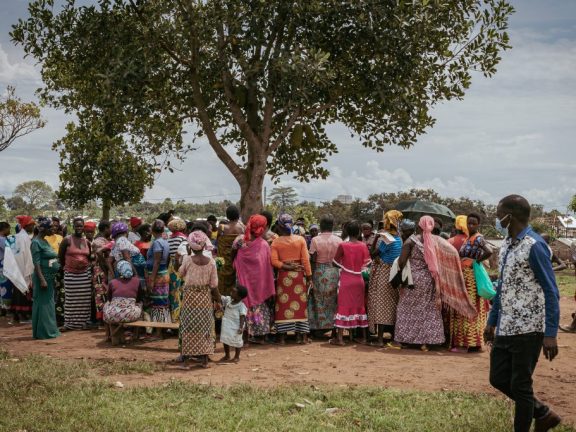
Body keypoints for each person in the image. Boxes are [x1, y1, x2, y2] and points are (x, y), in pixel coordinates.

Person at [484, 195, 561, 432]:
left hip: (530, 328)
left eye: (499, 214)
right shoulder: (508, 243)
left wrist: (550, 333)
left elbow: (551, 291)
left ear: (511, 215)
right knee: (497, 378)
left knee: (521, 386)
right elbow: (504, 286)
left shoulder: (535, 246)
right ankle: (543, 413)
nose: (497, 218)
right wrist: (492, 321)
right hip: (507, 325)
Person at [394, 216, 475, 351]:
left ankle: (408, 339)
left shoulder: (411, 241)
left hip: (412, 280)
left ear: (419, 227)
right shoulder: (437, 241)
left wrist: (399, 271)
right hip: (430, 280)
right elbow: (453, 252)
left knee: (407, 308)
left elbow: (402, 261)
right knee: (428, 310)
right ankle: (428, 341)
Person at [177, 230, 221, 368]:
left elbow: (180, 273)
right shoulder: (212, 262)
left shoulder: (187, 260)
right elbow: (214, 285)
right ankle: (204, 360)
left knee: (188, 325)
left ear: (190, 247)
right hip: (204, 298)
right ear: (203, 245)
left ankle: (187, 361)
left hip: (190, 297)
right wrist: (219, 300)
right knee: (205, 326)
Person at [449, 212, 492, 353]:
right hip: (466, 276)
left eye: (473, 223)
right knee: (469, 307)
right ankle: (471, 343)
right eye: (469, 223)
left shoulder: (478, 238)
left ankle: (469, 343)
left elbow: (489, 251)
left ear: (478, 224)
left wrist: (476, 261)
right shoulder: (469, 238)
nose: (471, 225)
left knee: (470, 307)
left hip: (470, 278)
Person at [232, 214, 276, 344]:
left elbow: (232, 254)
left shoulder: (240, 240)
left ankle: (244, 336)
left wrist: (235, 264)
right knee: (260, 305)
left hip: (242, 279)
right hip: (259, 282)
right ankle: (261, 336)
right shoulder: (264, 245)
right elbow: (267, 265)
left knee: (242, 305)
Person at [270, 213, 312, 344]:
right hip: (299, 276)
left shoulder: (276, 242)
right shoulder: (300, 240)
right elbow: (306, 260)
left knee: (283, 305)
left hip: (284, 277)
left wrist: (286, 266)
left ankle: (282, 337)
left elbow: (274, 261)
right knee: (300, 305)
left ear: (280, 226)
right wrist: (309, 277)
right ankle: (302, 337)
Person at [331, 220, 371, 345]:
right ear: (359, 231)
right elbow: (368, 263)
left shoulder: (343, 245)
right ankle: (364, 338)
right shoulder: (363, 246)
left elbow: (334, 262)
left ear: (346, 231)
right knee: (360, 308)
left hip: (346, 280)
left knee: (343, 307)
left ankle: (340, 339)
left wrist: (345, 263)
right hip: (359, 280)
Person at [367, 210, 403, 346]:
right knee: (392, 305)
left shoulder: (387, 239)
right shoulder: (399, 238)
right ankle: (393, 336)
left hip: (383, 273)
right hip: (394, 274)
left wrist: (376, 237)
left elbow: (372, 253)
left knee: (381, 306)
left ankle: (380, 339)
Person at [307, 214, 342, 338]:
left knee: (318, 300)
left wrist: (309, 276)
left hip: (319, 272)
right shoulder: (339, 240)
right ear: (332, 226)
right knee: (332, 300)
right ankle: (333, 327)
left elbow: (313, 258)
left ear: (321, 226)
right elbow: (340, 260)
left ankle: (318, 327)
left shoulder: (315, 240)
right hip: (333, 271)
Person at [58, 217, 92, 331]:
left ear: (83, 227)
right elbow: (60, 257)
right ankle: (69, 324)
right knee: (71, 300)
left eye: (81, 226)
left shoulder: (86, 241)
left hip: (84, 275)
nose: (79, 228)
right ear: (73, 227)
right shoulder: (67, 240)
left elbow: (89, 256)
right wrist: (67, 267)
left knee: (84, 300)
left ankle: (84, 322)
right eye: (76, 226)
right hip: (71, 274)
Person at [31, 217, 60, 339]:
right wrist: (42, 279)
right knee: (43, 305)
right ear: (44, 229)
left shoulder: (45, 241)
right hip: (42, 279)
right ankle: (43, 333)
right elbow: (36, 263)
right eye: (51, 227)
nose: (53, 229)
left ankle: (50, 330)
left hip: (49, 277)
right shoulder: (36, 243)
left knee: (49, 305)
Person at [9, 216, 36, 322]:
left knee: (17, 290)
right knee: (24, 291)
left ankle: (16, 314)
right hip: (24, 268)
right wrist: (29, 270)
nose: (33, 227)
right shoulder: (25, 238)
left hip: (17, 268)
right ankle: (23, 315)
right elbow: (28, 255)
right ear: (27, 225)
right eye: (32, 225)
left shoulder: (16, 237)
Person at [103, 260, 143, 325]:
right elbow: (139, 298)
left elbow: (109, 299)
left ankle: (110, 332)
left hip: (113, 316)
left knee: (106, 304)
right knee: (140, 304)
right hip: (131, 316)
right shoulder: (137, 281)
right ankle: (136, 332)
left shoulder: (112, 282)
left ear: (119, 271)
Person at [146, 220, 171, 323]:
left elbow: (157, 261)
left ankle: (158, 330)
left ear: (152, 230)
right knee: (162, 300)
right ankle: (162, 327)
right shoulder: (165, 241)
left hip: (158, 275)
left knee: (158, 301)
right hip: (163, 272)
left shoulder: (157, 242)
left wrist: (152, 278)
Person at [217, 205, 244, 296]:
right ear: (238, 215)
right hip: (236, 261)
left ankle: (222, 302)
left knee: (222, 281)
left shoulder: (222, 227)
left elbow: (218, 241)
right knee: (234, 282)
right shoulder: (243, 228)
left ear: (227, 216)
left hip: (223, 261)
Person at [219, 285, 248, 363]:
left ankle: (237, 356)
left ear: (239, 297)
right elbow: (221, 297)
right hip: (227, 325)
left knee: (237, 341)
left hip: (236, 326)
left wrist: (241, 327)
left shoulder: (241, 306)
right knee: (225, 340)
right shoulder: (228, 300)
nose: (231, 293)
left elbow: (242, 317)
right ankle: (227, 355)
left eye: (234, 292)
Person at [167, 218, 188, 323]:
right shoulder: (183, 238)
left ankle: (175, 317)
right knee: (182, 291)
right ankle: (183, 317)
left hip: (171, 266)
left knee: (174, 292)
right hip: (181, 263)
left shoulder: (169, 239)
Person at [92, 238, 114, 322]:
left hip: (102, 279)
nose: (94, 250)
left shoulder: (103, 257)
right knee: (100, 298)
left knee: (104, 297)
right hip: (99, 280)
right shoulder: (98, 258)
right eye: (93, 248)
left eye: (95, 248)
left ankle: (105, 318)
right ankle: (102, 319)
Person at [0, 222, 12, 315]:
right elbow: (9, 251)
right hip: (3, 265)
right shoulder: (2, 239)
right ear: (4, 229)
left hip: (2, 265)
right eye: (8, 228)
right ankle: (5, 308)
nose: (10, 230)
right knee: (5, 287)